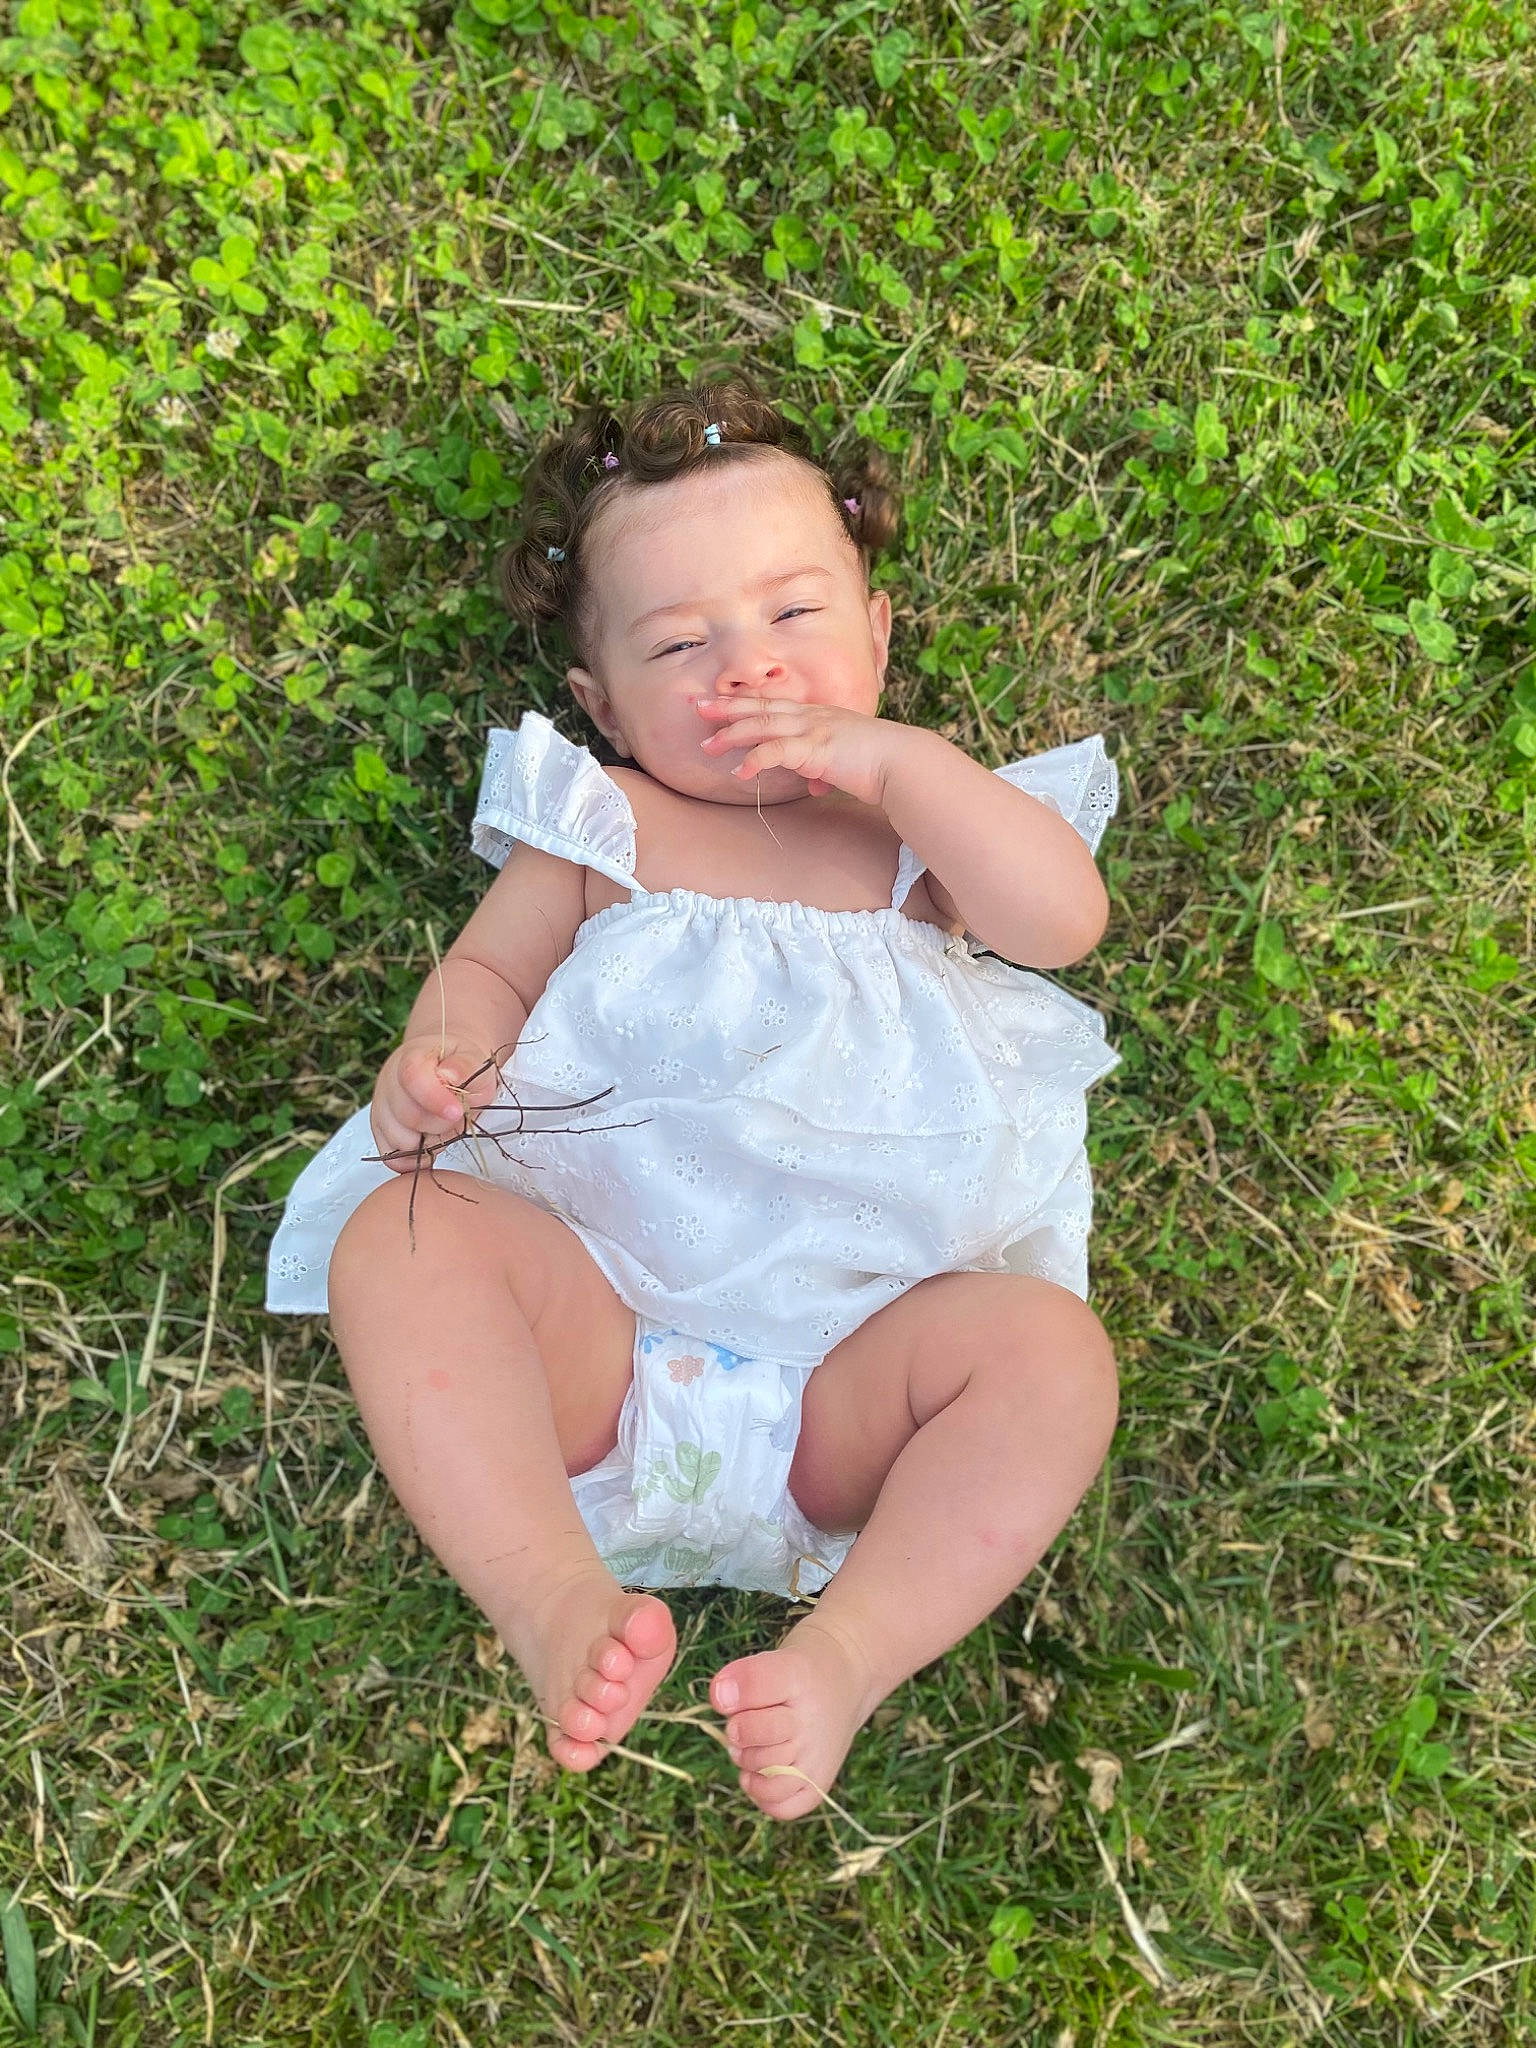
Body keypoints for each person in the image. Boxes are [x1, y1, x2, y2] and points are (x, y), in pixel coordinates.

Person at [266, 372, 1124, 1822]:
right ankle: (550, 1595)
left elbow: (1063, 923)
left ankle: (846, 1657)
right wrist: (443, 1060)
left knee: (1053, 1359)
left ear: (878, 633)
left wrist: (901, 766)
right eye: (681, 643)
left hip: (861, 1391)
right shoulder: (608, 824)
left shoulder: (921, 835)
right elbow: (487, 972)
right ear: (601, 707)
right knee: (400, 1234)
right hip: (597, 1347)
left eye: (795, 618)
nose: (750, 669)